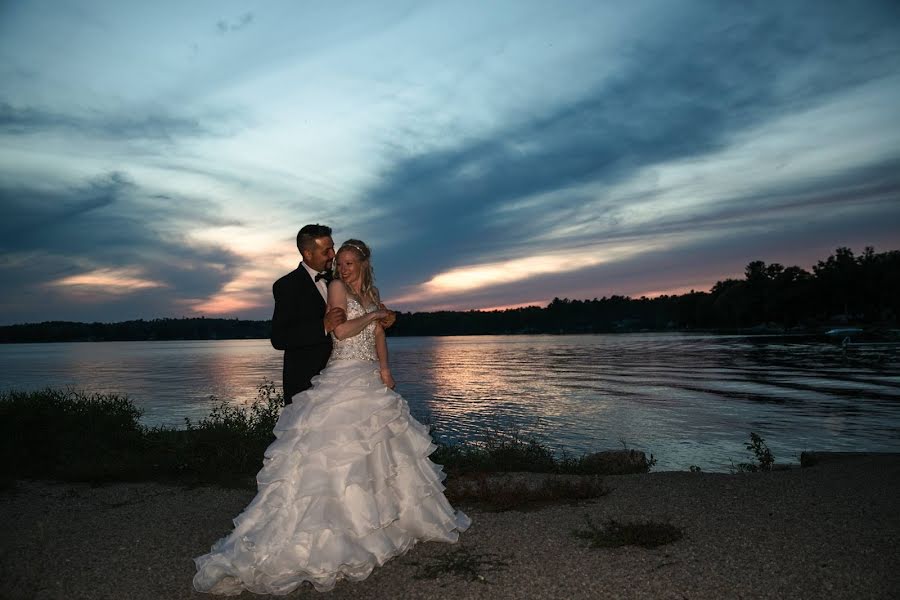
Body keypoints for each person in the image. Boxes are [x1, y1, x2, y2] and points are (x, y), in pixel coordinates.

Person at [193, 239, 470, 595]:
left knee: (380, 453)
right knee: (338, 457)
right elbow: (340, 331)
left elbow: (378, 335)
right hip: (344, 374)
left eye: (350, 262)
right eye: (340, 262)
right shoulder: (336, 288)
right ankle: (329, 534)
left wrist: (386, 369)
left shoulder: (372, 292)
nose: (343, 267)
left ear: (365, 263)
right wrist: (372, 315)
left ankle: (385, 524)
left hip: (371, 376)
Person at [270, 224, 347, 403]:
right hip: (306, 385)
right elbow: (280, 338)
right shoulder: (286, 286)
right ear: (308, 254)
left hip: (344, 379)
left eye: (333, 247)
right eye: (326, 250)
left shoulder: (341, 280)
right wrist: (323, 326)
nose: (333, 254)